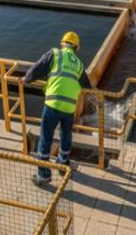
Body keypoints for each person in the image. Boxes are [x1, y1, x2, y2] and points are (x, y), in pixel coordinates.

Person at [23, 31, 92, 186]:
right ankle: (62, 164)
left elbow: (37, 68)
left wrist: (26, 79)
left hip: (53, 103)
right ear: (76, 48)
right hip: (69, 106)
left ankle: (44, 175)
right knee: (66, 135)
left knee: (46, 138)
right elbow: (86, 84)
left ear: (63, 44)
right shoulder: (79, 64)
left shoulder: (54, 54)